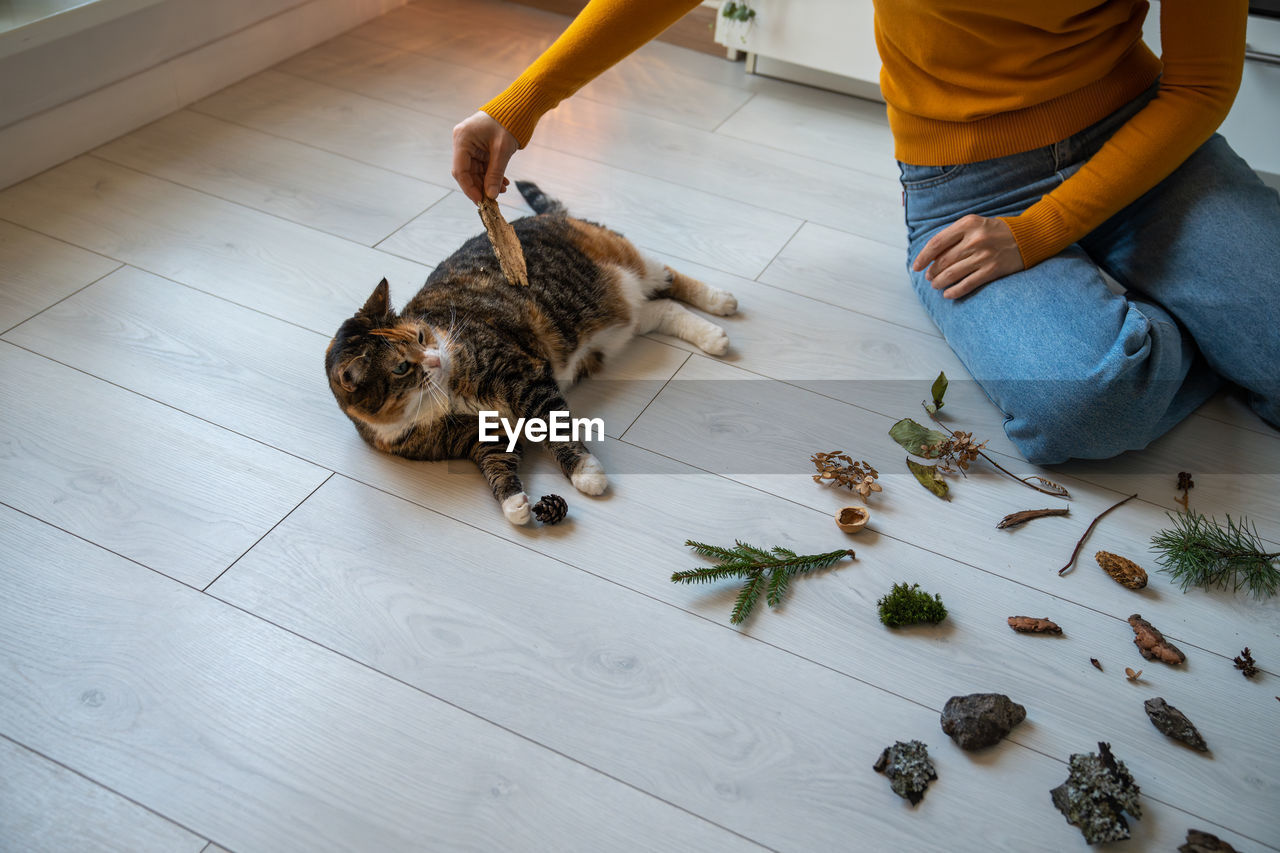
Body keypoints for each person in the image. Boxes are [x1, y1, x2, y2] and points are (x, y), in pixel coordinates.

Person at [451, 0, 1280, 464]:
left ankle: (1143, 310)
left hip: (1144, 139)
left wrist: (1041, 234)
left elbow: (1203, 84)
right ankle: (1172, 324)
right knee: (1089, 405)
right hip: (969, 182)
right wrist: (519, 105)